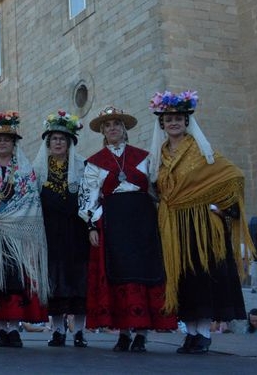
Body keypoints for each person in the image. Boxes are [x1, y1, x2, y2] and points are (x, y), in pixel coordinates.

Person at [148, 90, 254, 354]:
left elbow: (233, 176)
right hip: (173, 225)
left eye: (178, 118)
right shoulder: (159, 156)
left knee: (202, 275)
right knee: (182, 277)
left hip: (201, 225)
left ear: (186, 122)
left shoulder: (201, 150)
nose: (173, 123)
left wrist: (218, 206)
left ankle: (204, 333)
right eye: (169, 119)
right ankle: (191, 333)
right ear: (162, 124)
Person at [79, 105, 175, 353]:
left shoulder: (145, 157)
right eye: (108, 126)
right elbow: (88, 196)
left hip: (143, 221)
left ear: (124, 129)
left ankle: (142, 334)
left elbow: (158, 189)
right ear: (103, 131)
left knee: (145, 273)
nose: (113, 129)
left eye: (117, 125)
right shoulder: (95, 163)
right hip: (113, 223)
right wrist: (92, 225)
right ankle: (123, 332)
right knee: (118, 274)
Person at [0, 111, 49, 348]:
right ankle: (0, 329)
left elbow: (31, 199)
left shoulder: (26, 171)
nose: (2, 144)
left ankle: (13, 327)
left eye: (7, 140)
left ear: (14, 144)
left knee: (16, 280)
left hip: (16, 232)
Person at [32, 110, 89, 347]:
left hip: (77, 232)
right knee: (54, 282)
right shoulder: (38, 169)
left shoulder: (83, 167)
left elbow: (89, 199)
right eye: (54, 139)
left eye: (62, 139)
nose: (58, 142)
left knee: (78, 282)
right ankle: (57, 330)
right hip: (49, 233)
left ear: (69, 143)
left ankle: (79, 332)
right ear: (48, 143)